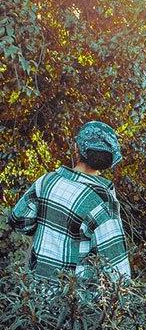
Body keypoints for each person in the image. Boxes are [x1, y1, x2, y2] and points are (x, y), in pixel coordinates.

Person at [6, 121, 131, 285]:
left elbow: (19, 221)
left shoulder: (46, 181)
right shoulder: (102, 201)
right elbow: (118, 271)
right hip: (71, 304)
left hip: (34, 296)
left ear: (76, 149)